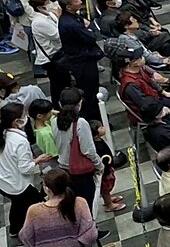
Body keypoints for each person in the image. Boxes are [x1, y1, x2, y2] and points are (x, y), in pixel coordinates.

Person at [0, 102, 53, 238]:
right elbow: (25, 168)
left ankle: (14, 229)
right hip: (18, 185)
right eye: (24, 115)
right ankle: (35, 233)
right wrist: (38, 160)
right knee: (38, 206)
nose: (27, 117)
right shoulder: (19, 142)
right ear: (17, 121)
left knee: (18, 205)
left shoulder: (4, 133)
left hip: (5, 182)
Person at [17, 169, 96, 247]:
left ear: (46, 189)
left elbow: (26, 237)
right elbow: (91, 234)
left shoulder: (34, 211)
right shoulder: (80, 203)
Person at [50, 89, 100, 212]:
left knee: (73, 203)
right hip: (81, 172)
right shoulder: (80, 123)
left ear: (60, 104)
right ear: (79, 104)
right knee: (86, 204)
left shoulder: (54, 121)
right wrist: (99, 164)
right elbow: (88, 150)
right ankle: (91, 229)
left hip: (63, 168)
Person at [56, 0, 103, 124]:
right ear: (68, 6)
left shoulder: (73, 17)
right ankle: (93, 120)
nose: (80, 1)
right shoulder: (71, 23)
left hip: (83, 59)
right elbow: (91, 37)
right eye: (76, 0)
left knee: (92, 91)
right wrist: (90, 29)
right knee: (90, 93)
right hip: (82, 62)